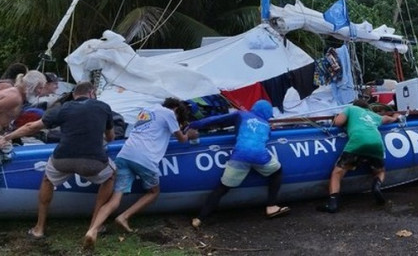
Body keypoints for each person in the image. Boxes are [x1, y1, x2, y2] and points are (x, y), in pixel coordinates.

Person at [0, 82, 115, 239]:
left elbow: (31, 127)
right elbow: (111, 137)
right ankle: (96, 224)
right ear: (92, 93)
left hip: (63, 158)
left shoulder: (63, 108)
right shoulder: (104, 107)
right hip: (93, 161)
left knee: (48, 180)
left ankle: (39, 228)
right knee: (110, 176)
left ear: (74, 95)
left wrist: (7, 137)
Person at [83, 98, 199, 249]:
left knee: (115, 198)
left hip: (125, 154)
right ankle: (124, 217)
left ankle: (93, 230)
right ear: (176, 108)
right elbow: (182, 139)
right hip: (145, 158)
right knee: (153, 192)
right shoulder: (169, 113)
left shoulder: (147, 110)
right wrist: (190, 135)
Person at [191, 100, 289, 229]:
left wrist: (194, 124)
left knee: (222, 188)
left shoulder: (241, 114)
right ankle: (271, 206)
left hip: (239, 156)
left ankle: (199, 218)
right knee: (277, 172)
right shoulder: (266, 125)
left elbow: (217, 120)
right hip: (260, 156)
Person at [317, 99, 401, 213]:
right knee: (380, 171)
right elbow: (387, 119)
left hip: (357, 143)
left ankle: (333, 203)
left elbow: (338, 122)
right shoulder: (374, 115)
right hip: (376, 144)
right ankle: (376, 186)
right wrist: (395, 116)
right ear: (367, 108)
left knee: (337, 173)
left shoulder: (351, 109)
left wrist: (340, 117)